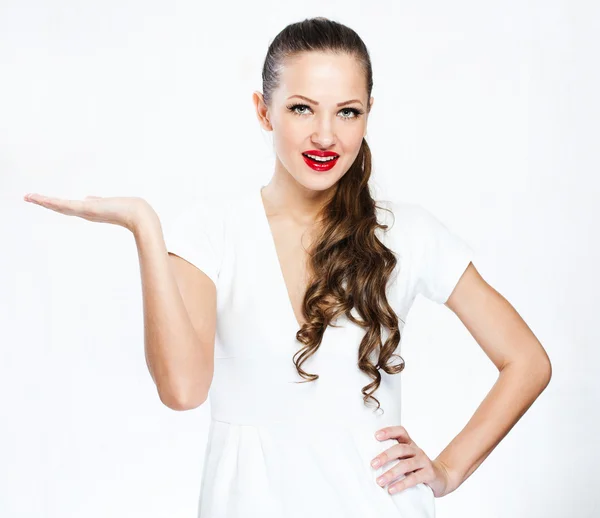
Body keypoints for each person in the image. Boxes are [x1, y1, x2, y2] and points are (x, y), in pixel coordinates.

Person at [23, 16, 552, 518]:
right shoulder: (214, 232)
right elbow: (182, 391)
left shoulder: (407, 233)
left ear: (370, 112)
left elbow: (527, 361)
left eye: (347, 112)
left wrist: (447, 469)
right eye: (302, 108)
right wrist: (144, 227)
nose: (326, 135)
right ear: (263, 111)